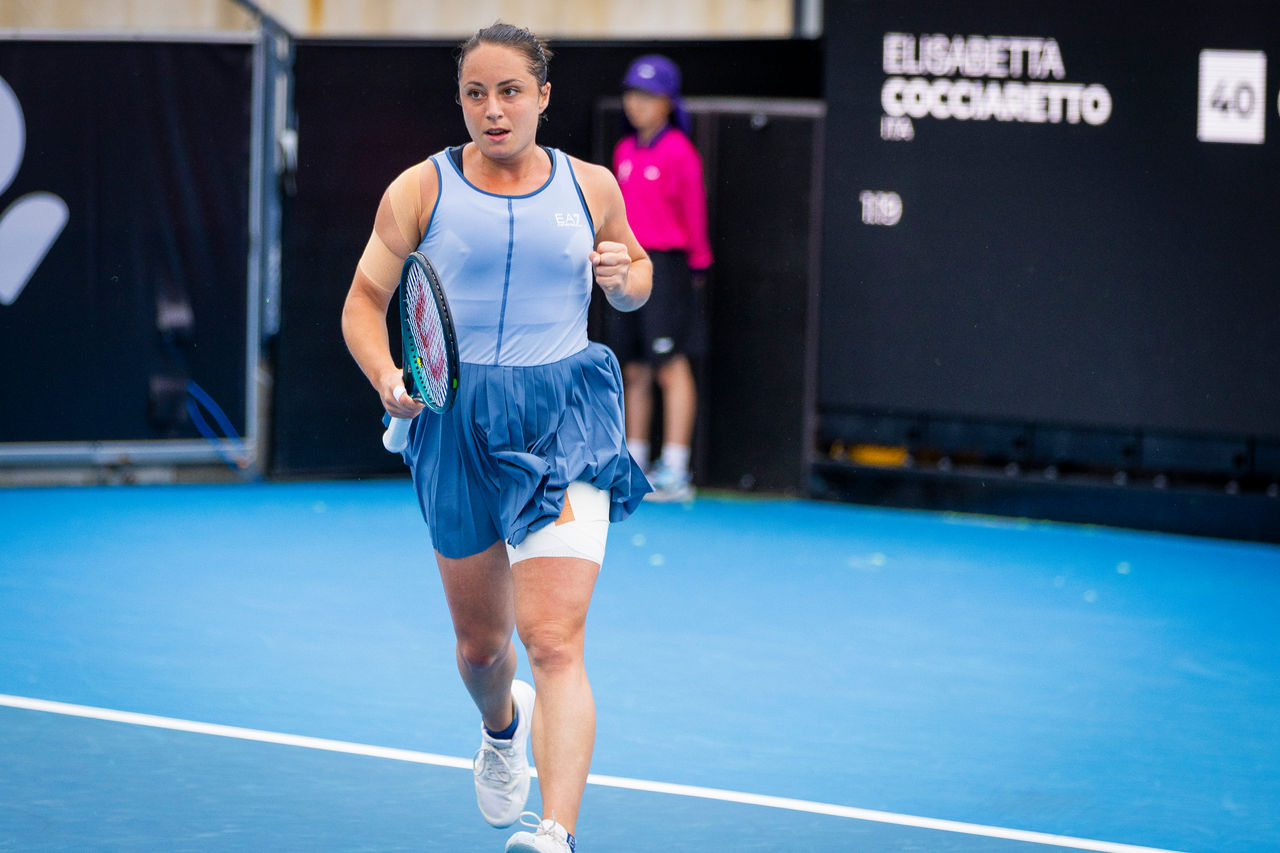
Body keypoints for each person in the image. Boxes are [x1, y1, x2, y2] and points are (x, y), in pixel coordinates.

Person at [341, 23, 652, 853]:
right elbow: (363, 303)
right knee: (484, 650)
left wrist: (624, 281)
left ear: (543, 96)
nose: (493, 109)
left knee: (553, 638)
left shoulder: (592, 186)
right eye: (475, 93)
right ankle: (501, 728)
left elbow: (636, 275)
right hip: (455, 421)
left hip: (565, 417)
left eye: (510, 91)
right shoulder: (420, 189)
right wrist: (388, 376)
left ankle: (555, 833)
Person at [601, 54, 713, 502]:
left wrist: (697, 267)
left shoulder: (680, 153)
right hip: (627, 267)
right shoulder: (624, 152)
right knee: (633, 368)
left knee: (670, 364)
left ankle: (676, 469)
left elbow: (694, 216)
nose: (636, 103)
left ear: (668, 102)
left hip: (667, 269)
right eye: (632, 94)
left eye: (648, 95)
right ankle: (635, 461)